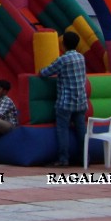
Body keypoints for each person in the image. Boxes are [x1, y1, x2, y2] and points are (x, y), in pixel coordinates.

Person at [40, 31, 88, 167]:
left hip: (66, 102)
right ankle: (84, 157)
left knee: (62, 130)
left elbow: (46, 72)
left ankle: (63, 159)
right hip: (81, 101)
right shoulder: (81, 57)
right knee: (81, 130)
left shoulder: (63, 59)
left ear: (63, 43)